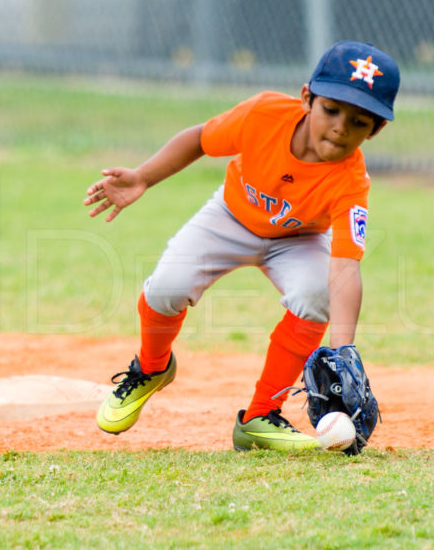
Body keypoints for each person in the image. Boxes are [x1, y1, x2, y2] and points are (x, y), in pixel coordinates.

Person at [84, 41, 399, 449]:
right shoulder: (263, 115)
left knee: (317, 291)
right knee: (167, 287)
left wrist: (343, 352)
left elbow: (344, 268)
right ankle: (151, 368)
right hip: (230, 216)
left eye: (360, 121)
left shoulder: (351, 182)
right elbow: (199, 139)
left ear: (376, 130)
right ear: (307, 98)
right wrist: (144, 176)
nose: (341, 126)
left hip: (298, 238)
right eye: (332, 109)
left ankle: (259, 417)